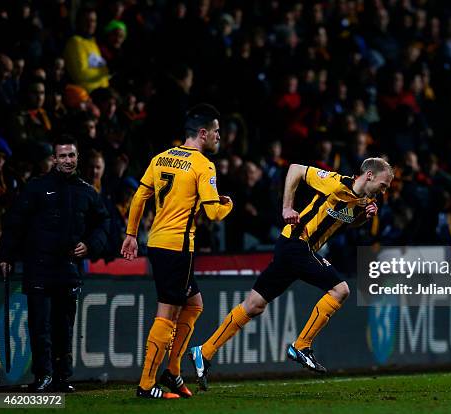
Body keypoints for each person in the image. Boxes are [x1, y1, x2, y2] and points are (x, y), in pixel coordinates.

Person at [190, 157, 394, 389]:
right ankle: (302, 346)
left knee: (254, 304)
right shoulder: (336, 183)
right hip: (297, 243)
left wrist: (364, 218)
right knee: (340, 289)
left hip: (294, 248)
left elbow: (346, 221)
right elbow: (296, 169)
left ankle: (204, 351)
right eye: (383, 184)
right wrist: (287, 207)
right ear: (369, 176)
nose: (384, 190)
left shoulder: (363, 200)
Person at [121, 103, 233, 399]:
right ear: (203, 133)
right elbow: (213, 214)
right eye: (217, 132)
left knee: (194, 305)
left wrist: (131, 234)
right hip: (178, 248)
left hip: (157, 242)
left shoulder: (161, 158)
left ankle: (172, 371)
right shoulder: (203, 165)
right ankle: (146, 385)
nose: (219, 137)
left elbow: (139, 196)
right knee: (167, 313)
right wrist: (227, 204)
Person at [0, 135, 110, 392]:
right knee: (40, 325)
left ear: (77, 157)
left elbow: (104, 223)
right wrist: (5, 255)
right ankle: (43, 376)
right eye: (62, 156)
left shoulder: (86, 191)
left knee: (64, 327)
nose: (67, 160)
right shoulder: (36, 188)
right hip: (39, 267)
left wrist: (91, 244)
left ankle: (60, 377)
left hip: (68, 269)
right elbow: (16, 223)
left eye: (71, 155)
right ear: (54, 159)